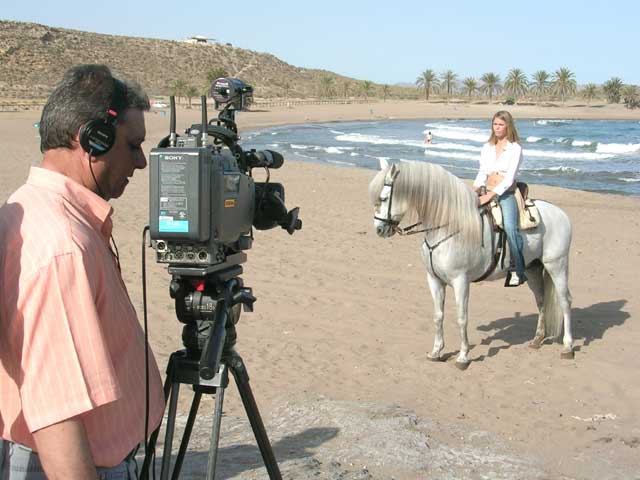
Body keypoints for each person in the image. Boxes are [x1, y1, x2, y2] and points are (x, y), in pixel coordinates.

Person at [0, 64, 165, 478]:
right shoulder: (62, 246)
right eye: (133, 145)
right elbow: (57, 413)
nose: (142, 162)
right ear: (93, 138)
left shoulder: (31, 205)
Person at [472, 110, 526, 287]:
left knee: (510, 227)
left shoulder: (515, 148)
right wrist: (473, 190)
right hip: (485, 188)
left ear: (508, 126)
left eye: (501, 124)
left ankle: (517, 269)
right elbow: (482, 172)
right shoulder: (487, 147)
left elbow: (509, 178)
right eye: (495, 124)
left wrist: (491, 195)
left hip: (506, 193)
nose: (497, 127)